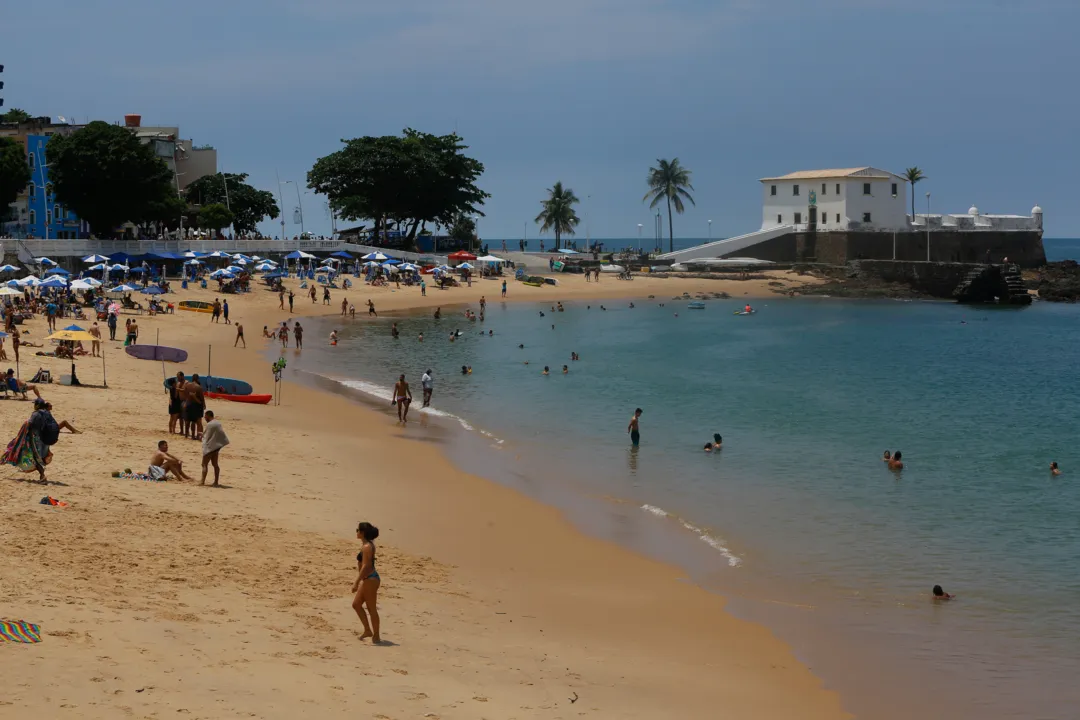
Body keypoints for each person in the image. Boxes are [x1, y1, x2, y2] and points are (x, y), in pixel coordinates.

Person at [352, 521, 382, 643]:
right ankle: (368, 630)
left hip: (370, 579)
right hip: (368, 579)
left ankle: (376, 636)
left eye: (357, 530)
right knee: (356, 604)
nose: (357, 532)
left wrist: (356, 582)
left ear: (362, 533)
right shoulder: (368, 545)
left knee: (371, 609)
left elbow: (366, 566)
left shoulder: (367, 547)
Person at [200, 410, 229, 487]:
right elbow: (219, 435)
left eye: (205, 416)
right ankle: (216, 482)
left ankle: (202, 481)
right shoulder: (218, 423)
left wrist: (202, 436)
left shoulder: (210, 424)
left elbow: (207, 437)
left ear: (209, 416)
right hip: (216, 447)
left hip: (210, 447)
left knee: (204, 464)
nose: (205, 418)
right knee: (215, 464)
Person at [184, 374, 206, 440]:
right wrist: (204, 405)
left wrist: (186, 403)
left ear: (192, 378)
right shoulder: (199, 387)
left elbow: (186, 395)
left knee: (188, 421)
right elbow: (202, 398)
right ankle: (199, 436)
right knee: (198, 422)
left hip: (189, 404)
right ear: (198, 379)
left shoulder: (187, 385)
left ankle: (187, 434)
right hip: (197, 405)